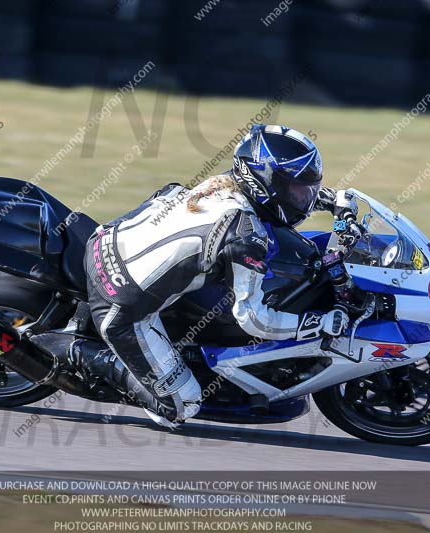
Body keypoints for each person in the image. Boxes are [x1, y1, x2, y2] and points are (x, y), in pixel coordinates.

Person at [76, 124, 357, 428]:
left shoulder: (225, 184)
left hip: (106, 240)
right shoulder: (245, 238)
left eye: (309, 189)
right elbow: (254, 320)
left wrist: (333, 204)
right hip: (121, 302)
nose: (304, 198)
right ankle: (77, 355)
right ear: (265, 182)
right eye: (298, 189)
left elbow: (279, 200)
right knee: (183, 406)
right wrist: (321, 324)